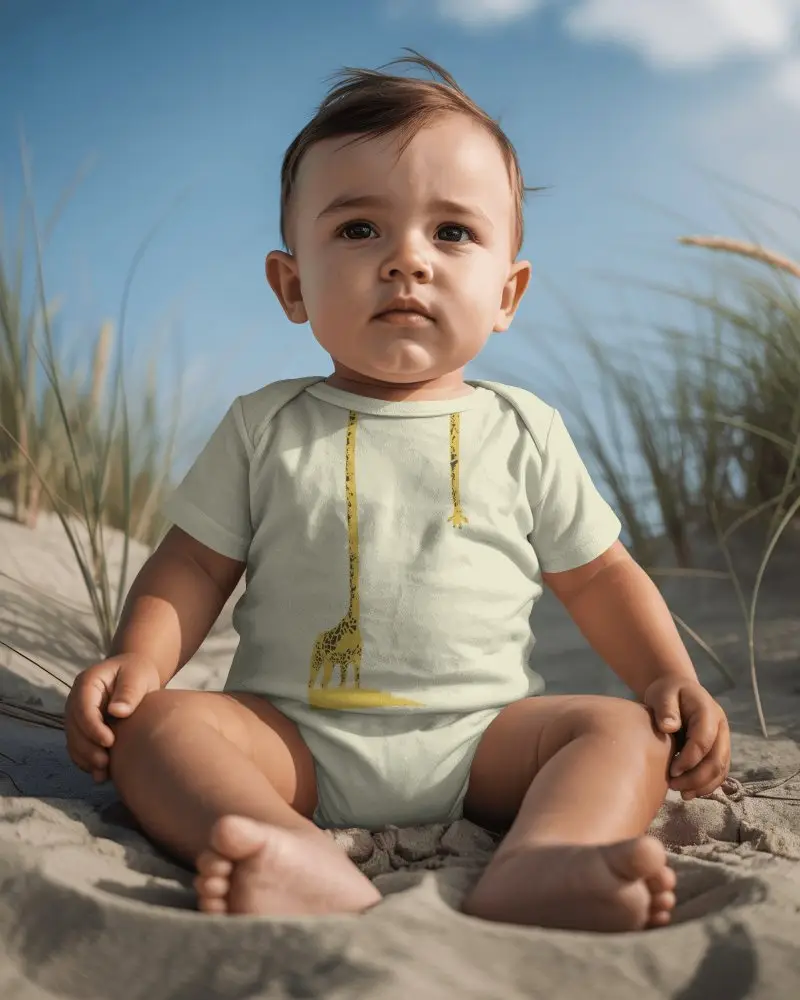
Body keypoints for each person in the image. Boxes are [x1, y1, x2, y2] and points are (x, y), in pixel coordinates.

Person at [64, 53, 730, 932]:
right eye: (358, 231)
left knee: (619, 733)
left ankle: (546, 857)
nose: (406, 260)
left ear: (508, 292)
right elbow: (191, 564)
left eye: (452, 233)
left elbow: (600, 576)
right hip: (292, 740)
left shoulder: (524, 430)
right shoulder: (265, 425)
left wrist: (667, 678)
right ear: (292, 283)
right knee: (159, 730)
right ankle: (280, 847)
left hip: (487, 742)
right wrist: (140, 664)